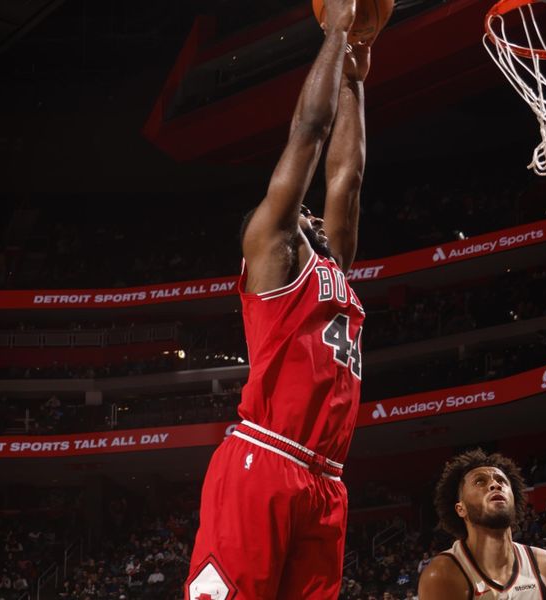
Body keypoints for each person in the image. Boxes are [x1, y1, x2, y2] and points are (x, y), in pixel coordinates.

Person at [184, 0, 370, 597]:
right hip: (265, 459)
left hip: (327, 478)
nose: (314, 210)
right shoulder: (274, 253)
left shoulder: (332, 268)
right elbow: (309, 136)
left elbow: (348, 177)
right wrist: (336, 33)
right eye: (301, 209)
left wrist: (356, 78)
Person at [418, 449, 546, 599]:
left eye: (501, 480)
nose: (495, 485)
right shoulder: (443, 574)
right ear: (461, 509)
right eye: (480, 481)